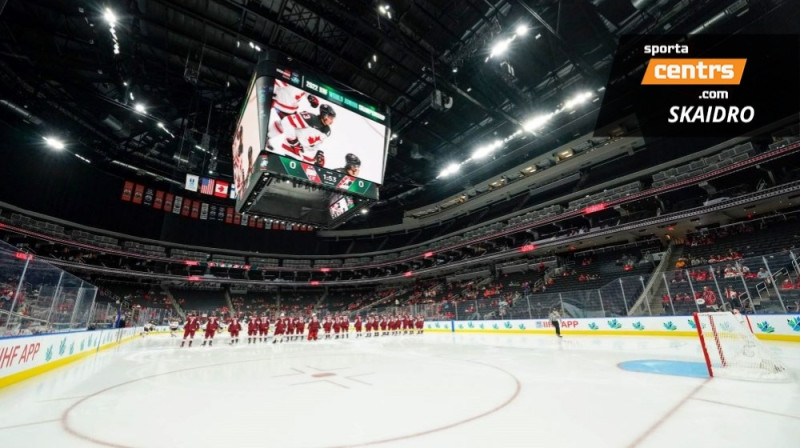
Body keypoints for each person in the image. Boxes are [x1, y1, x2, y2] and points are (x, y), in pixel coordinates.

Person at [269, 104, 336, 165]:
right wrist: (293, 141)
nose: (332, 121)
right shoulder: (310, 118)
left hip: (303, 158)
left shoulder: (327, 131)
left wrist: (317, 154)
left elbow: (314, 144)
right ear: (324, 115)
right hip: (291, 152)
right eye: (331, 118)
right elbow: (287, 121)